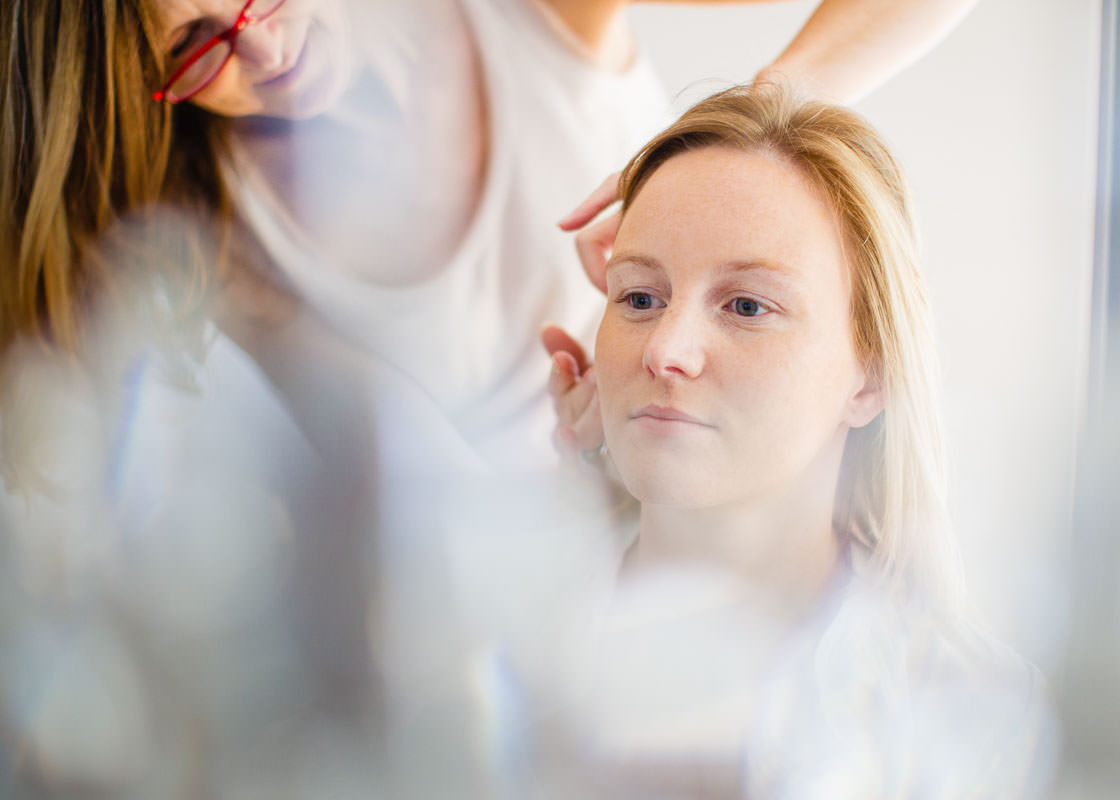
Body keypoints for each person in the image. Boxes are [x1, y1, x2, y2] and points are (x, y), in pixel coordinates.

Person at [0, 0, 981, 482]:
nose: (263, 45)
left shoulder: (519, 15)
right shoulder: (207, 233)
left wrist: (759, 116)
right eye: (193, 46)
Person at [537, 85, 1051, 797]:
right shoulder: (467, 648)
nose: (664, 350)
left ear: (870, 375)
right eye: (640, 297)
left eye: (748, 305)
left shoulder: (974, 716)